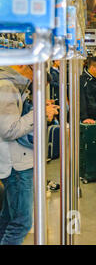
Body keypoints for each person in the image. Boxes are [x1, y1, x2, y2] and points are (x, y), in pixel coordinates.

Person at [0, 65, 58, 245]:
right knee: (21, 223)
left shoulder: (15, 85)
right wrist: (39, 113)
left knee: (8, 218)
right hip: (16, 164)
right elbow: (9, 129)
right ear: (28, 66)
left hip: (16, 159)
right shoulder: (6, 87)